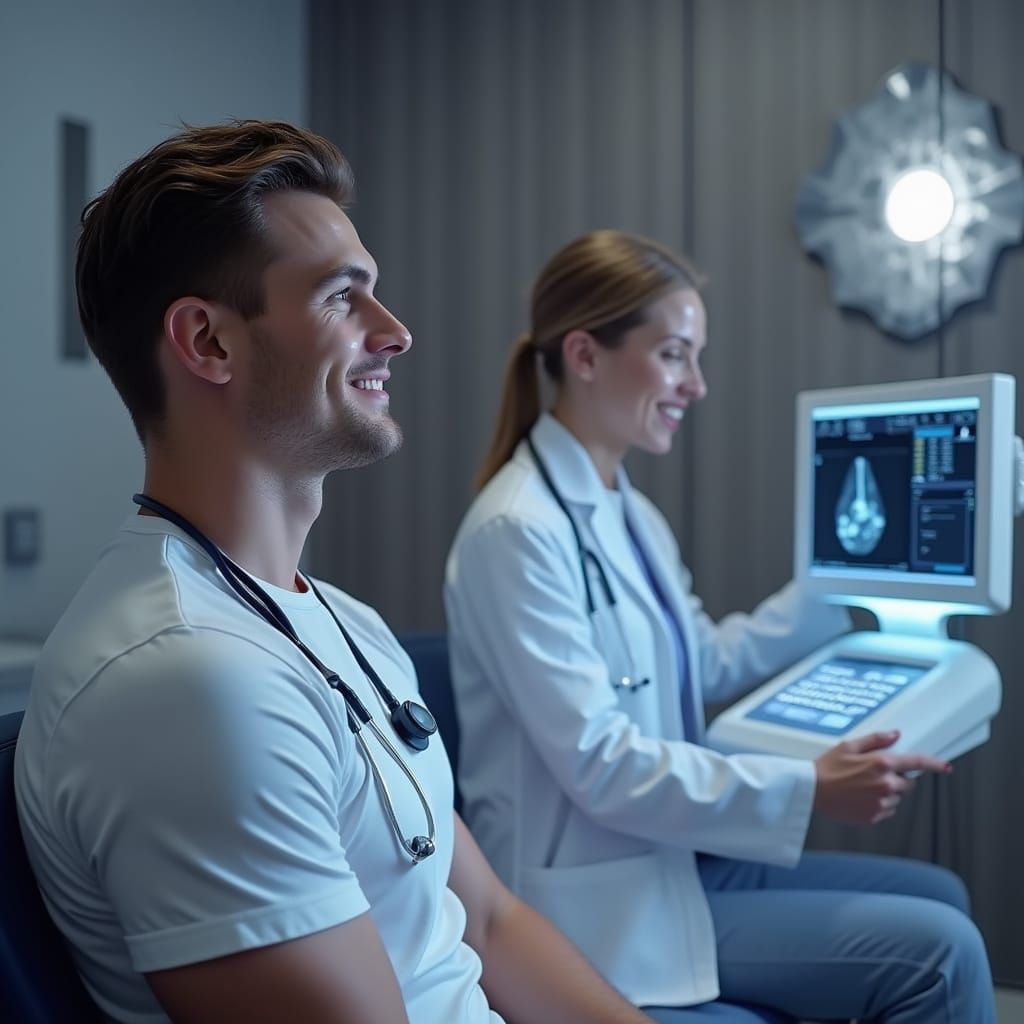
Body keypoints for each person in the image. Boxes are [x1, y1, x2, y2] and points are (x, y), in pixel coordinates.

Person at [14, 122, 656, 1024]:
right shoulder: (188, 681)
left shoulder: (340, 620)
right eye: (341, 297)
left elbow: (489, 921)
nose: (394, 333)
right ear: (208, 341)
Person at [443, 230, 995, 1023]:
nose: (695, 385)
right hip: (591, 905)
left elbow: (701, 660)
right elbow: (600, 764)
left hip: (669, 858)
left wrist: (836, 583)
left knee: (939, 893)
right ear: (585, 355)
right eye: (674, 355)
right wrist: (807, 787)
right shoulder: (517, 531)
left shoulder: (628, 511)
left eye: (695, 358)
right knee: (942, 952)